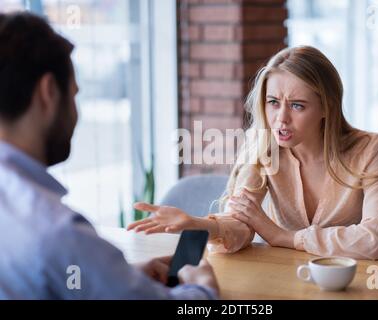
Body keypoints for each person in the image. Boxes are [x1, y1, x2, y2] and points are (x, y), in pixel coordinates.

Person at [0, 12, 218, 299]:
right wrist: (202, 289)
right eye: (75, 95)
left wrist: (111, 277)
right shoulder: (58, 232)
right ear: (48, 92)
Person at [128, 46, 378, 261]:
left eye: (297, 106)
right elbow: (240, 225)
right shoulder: (263, 147)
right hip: (286, 283)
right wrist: (198, 224)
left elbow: (374, 240)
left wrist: (283, 237)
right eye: (273, 103)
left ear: (327, 107)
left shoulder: (371, 150)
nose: (281, 119)